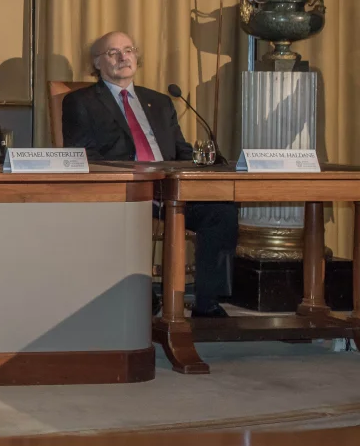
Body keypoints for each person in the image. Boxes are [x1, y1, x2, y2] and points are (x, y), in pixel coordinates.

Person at [61, 31, 238, 318]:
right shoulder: (80, 101)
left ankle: (208, 302)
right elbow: (83, 155)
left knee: (221, 211)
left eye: (129, 50)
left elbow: (180, 150)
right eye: (113, 52)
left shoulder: (159, 101)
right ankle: (143, 294)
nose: (123, 57)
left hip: (169, 187)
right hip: (125, 189)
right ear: (97, 63)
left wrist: (207, 160)